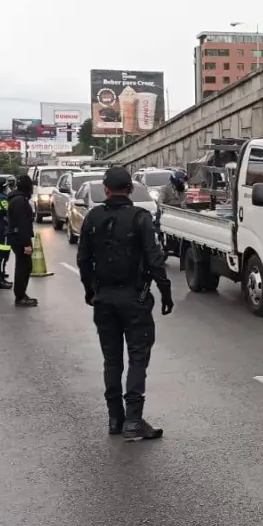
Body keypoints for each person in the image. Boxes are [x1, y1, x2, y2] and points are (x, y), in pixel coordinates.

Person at [76, 166, 173, 442]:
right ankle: (133, 420)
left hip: (104, 298)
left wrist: (90, 290)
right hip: (135, 298)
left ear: (106, 190)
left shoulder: (92, 217)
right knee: (138, 358)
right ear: (130, 189)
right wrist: (165, 293)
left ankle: (115, 419)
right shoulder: (140, 218)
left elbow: (83, 260)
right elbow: (154, 260)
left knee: (112, 360)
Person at [6, 173, 38, 307]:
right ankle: (20, 296)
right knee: (23, 267)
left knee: (24, 266)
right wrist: (26, 244)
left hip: (16, 237)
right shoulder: (20, 201)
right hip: (20, 238)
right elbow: (22, 224)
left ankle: (21, 294)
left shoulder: (17, 199)